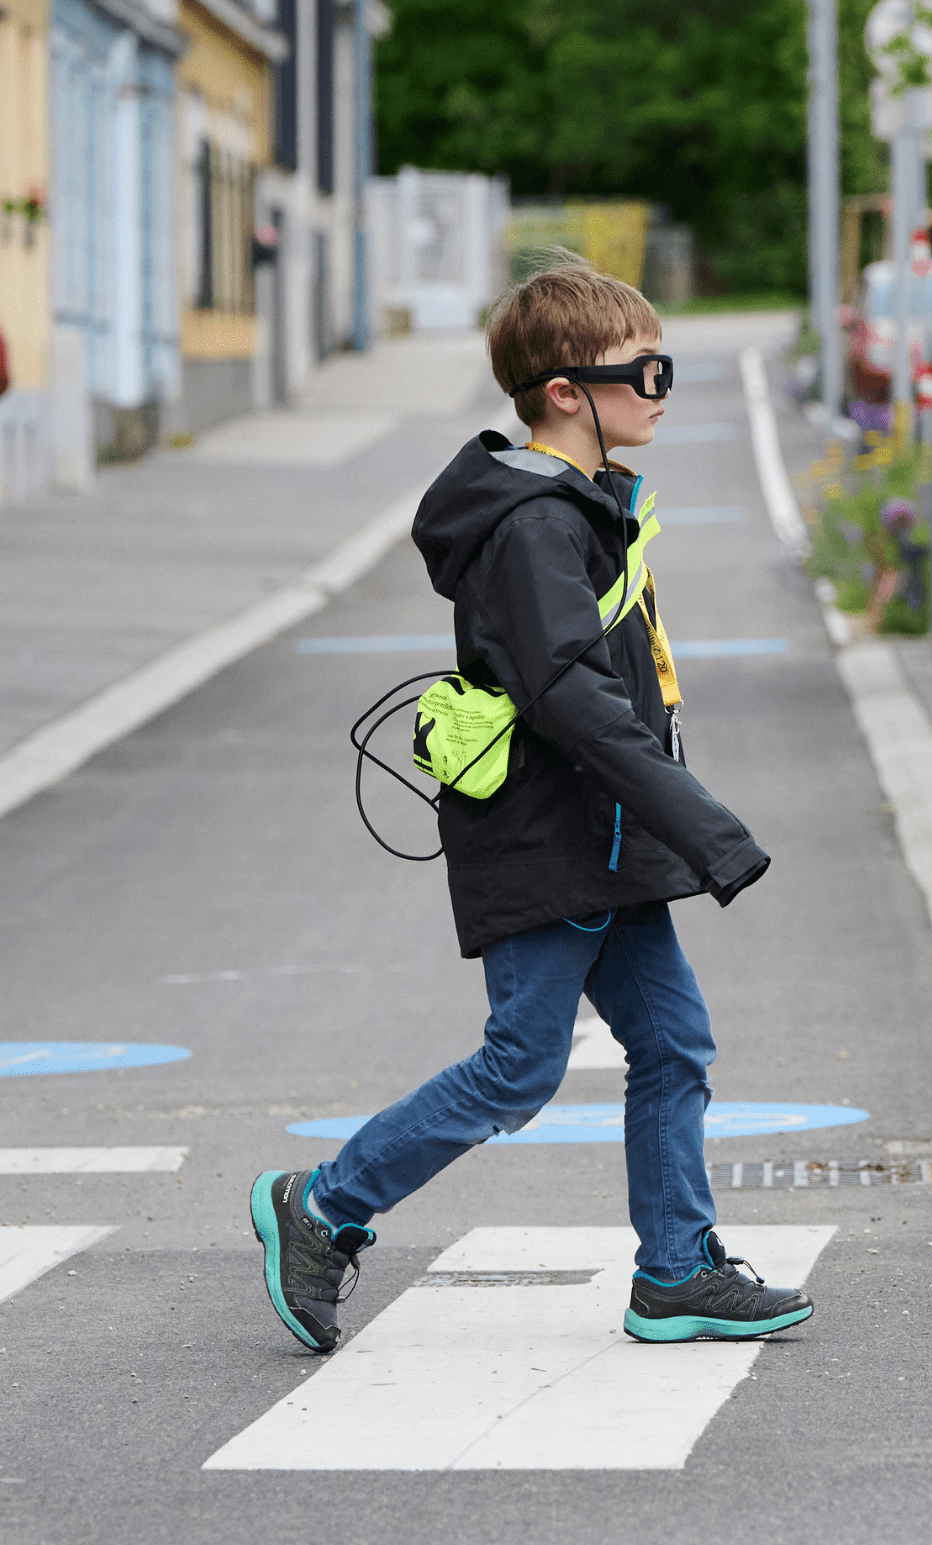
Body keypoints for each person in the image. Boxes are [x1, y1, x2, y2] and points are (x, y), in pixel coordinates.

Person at [249, 250, 812, 1353]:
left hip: (608, 834)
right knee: (522, 1067)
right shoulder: (533, 526)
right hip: (545, 835)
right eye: (644, 371)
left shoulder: (587, 506)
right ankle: (321, 1205)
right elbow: (571, 697)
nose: (660, 389)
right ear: (565, 392)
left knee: (674, 1044)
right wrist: (706, 828)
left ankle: (676, 1272)